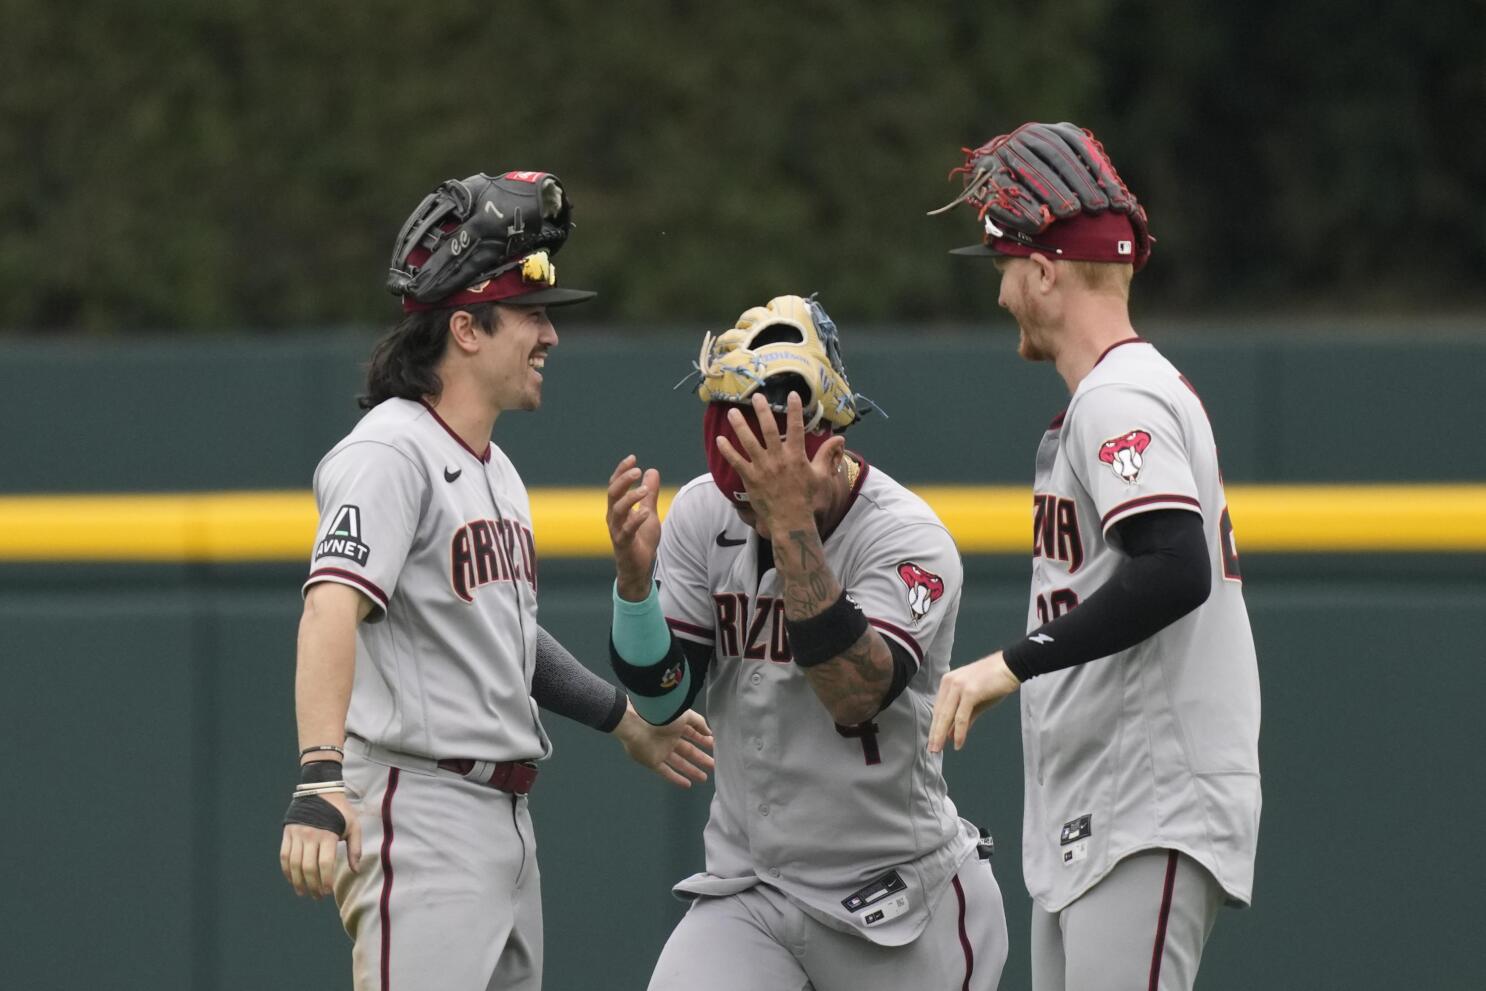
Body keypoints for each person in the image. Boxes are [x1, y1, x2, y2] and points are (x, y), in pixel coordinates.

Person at [278, 170, 714, 991]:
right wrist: (319, 775)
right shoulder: (389, 451)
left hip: (502, 818)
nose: (549, 336)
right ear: (467, 329)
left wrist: (623, 718)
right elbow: (329, 607)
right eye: (530, 312)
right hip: (423, 806)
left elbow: (505, 639)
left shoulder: (496, 469)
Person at [926, 123, 1262, 991]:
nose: (1001, 294)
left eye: (1004, 267)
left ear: (1044, 272)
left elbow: (1174, 566)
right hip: (1107, 806)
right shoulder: (1119, 395)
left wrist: (1010, 663)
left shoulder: (1119, 395)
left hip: (1145, 803)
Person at [605, 294, 1008, 991]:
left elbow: (853, 694)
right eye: (745, 498)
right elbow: (664, 698)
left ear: (834, 449)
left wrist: (790, 521)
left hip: (899, 900)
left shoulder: (909, 538)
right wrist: (635, 588)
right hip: (753, 887)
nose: (753, 507)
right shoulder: (707, 509)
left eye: (771, 489)